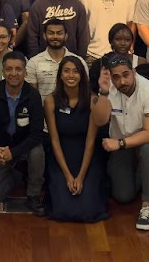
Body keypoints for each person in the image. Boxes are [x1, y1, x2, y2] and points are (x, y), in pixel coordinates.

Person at [99, 53, 149, 230]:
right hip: (121, 145)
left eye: (126, 74)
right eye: (116, 77)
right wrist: (103, 92)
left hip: (141, 141)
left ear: (133, 72)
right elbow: (99, 120)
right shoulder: (109, 88)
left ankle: (148, 206)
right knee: (122, 196)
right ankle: (148, 176)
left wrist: (119, 143)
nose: (122, 82)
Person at [46, 55, 112, 223]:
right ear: (60, 75)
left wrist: (80, 176)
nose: (71, 75)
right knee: (62, 210)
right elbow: (54, 140)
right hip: (61, 156)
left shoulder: (92, 100)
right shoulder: (50, 101)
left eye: (75, 71)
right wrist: (68, 176)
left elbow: (90, 141)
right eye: (66, 71)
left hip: (87, 155)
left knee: (88, 211)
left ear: (82, 75)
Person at [0, 51, 47, 214]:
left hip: (25, 146)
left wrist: (14, 152)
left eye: (18, 69)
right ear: (2, 72)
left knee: (38, 153)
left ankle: (33, 194)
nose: (13, 73)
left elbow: (37, 133)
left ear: (25, 72)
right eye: (9, 69)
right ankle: (17, 173)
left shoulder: (33, 95)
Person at [27, 19, 86, 98]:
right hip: (42, 108)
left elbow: (84, 90)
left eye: (59, 33)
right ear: (44, 36)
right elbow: (31, 96)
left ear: (66, 36)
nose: (55, 37)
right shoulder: (33, 63)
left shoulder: (79, 61)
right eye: (51, 33)